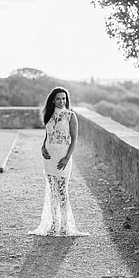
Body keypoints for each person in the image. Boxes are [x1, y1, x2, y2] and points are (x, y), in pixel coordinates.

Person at [29, 87, 88, 237]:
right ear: (53, 100)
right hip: (49, 157)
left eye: (64, 98)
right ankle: (54, 224)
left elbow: (74, 139)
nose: (62, 101)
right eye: (58, 99)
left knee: (62, 191)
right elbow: (48, 134)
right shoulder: (48, 115)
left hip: (63, 156)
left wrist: (67, 158)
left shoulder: (70, 116)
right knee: (52, 191)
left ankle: (65, 225)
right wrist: (42, 146)